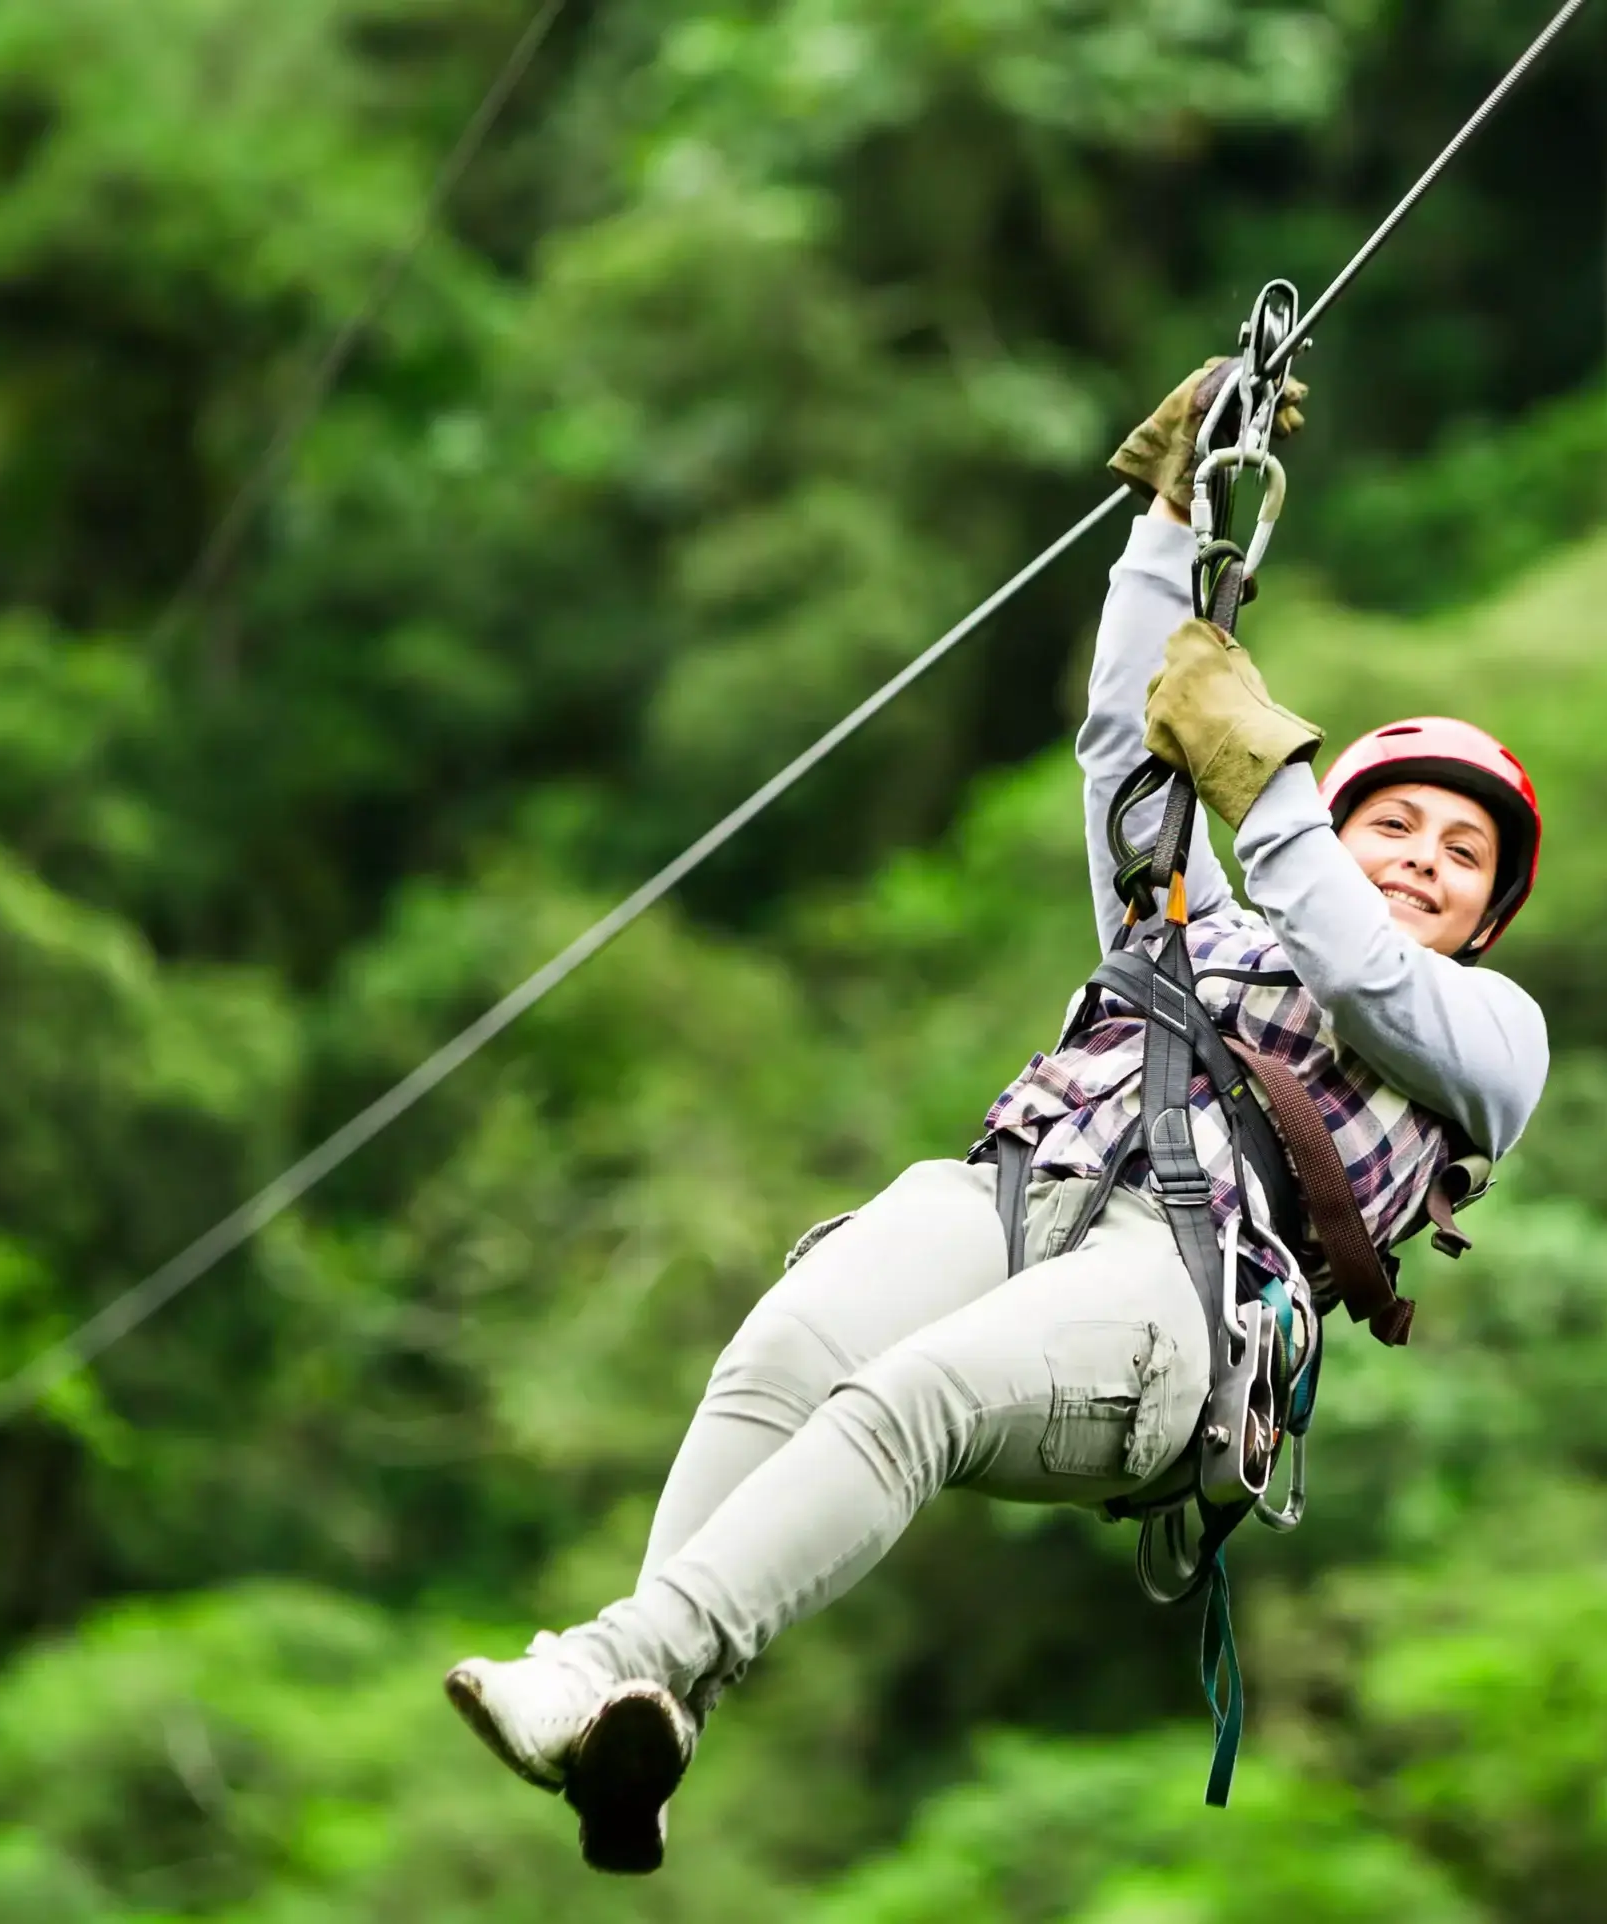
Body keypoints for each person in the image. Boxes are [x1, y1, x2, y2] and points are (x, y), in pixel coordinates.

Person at [442, 364, 1551, 1875]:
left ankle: (597, 1662)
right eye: (1394, 824)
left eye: (1462, 851)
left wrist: (1276, 784)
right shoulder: (1195, 923)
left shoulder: (1491, 1037)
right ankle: (653, 1703)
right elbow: (1123, 743)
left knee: (916, 1399)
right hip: (1020, 1190)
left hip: (1186, 1282)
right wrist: (1170, 522)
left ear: (1489, 914)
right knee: (789, 1349)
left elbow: (1361, 970)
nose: (1423, 860)